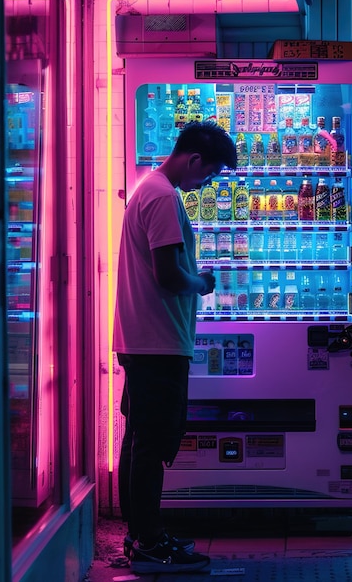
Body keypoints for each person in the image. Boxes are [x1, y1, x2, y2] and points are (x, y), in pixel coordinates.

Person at [113, 120, 237, 574]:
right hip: (158, 341)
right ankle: (148, 543)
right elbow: (168, 275)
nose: (206, 182)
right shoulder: (164, 195)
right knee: (153, 443)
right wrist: (202, 283)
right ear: (195, 160)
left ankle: (141, 535)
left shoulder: (149, 188)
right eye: (209, 174)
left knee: (140, 440)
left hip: (145, 338)